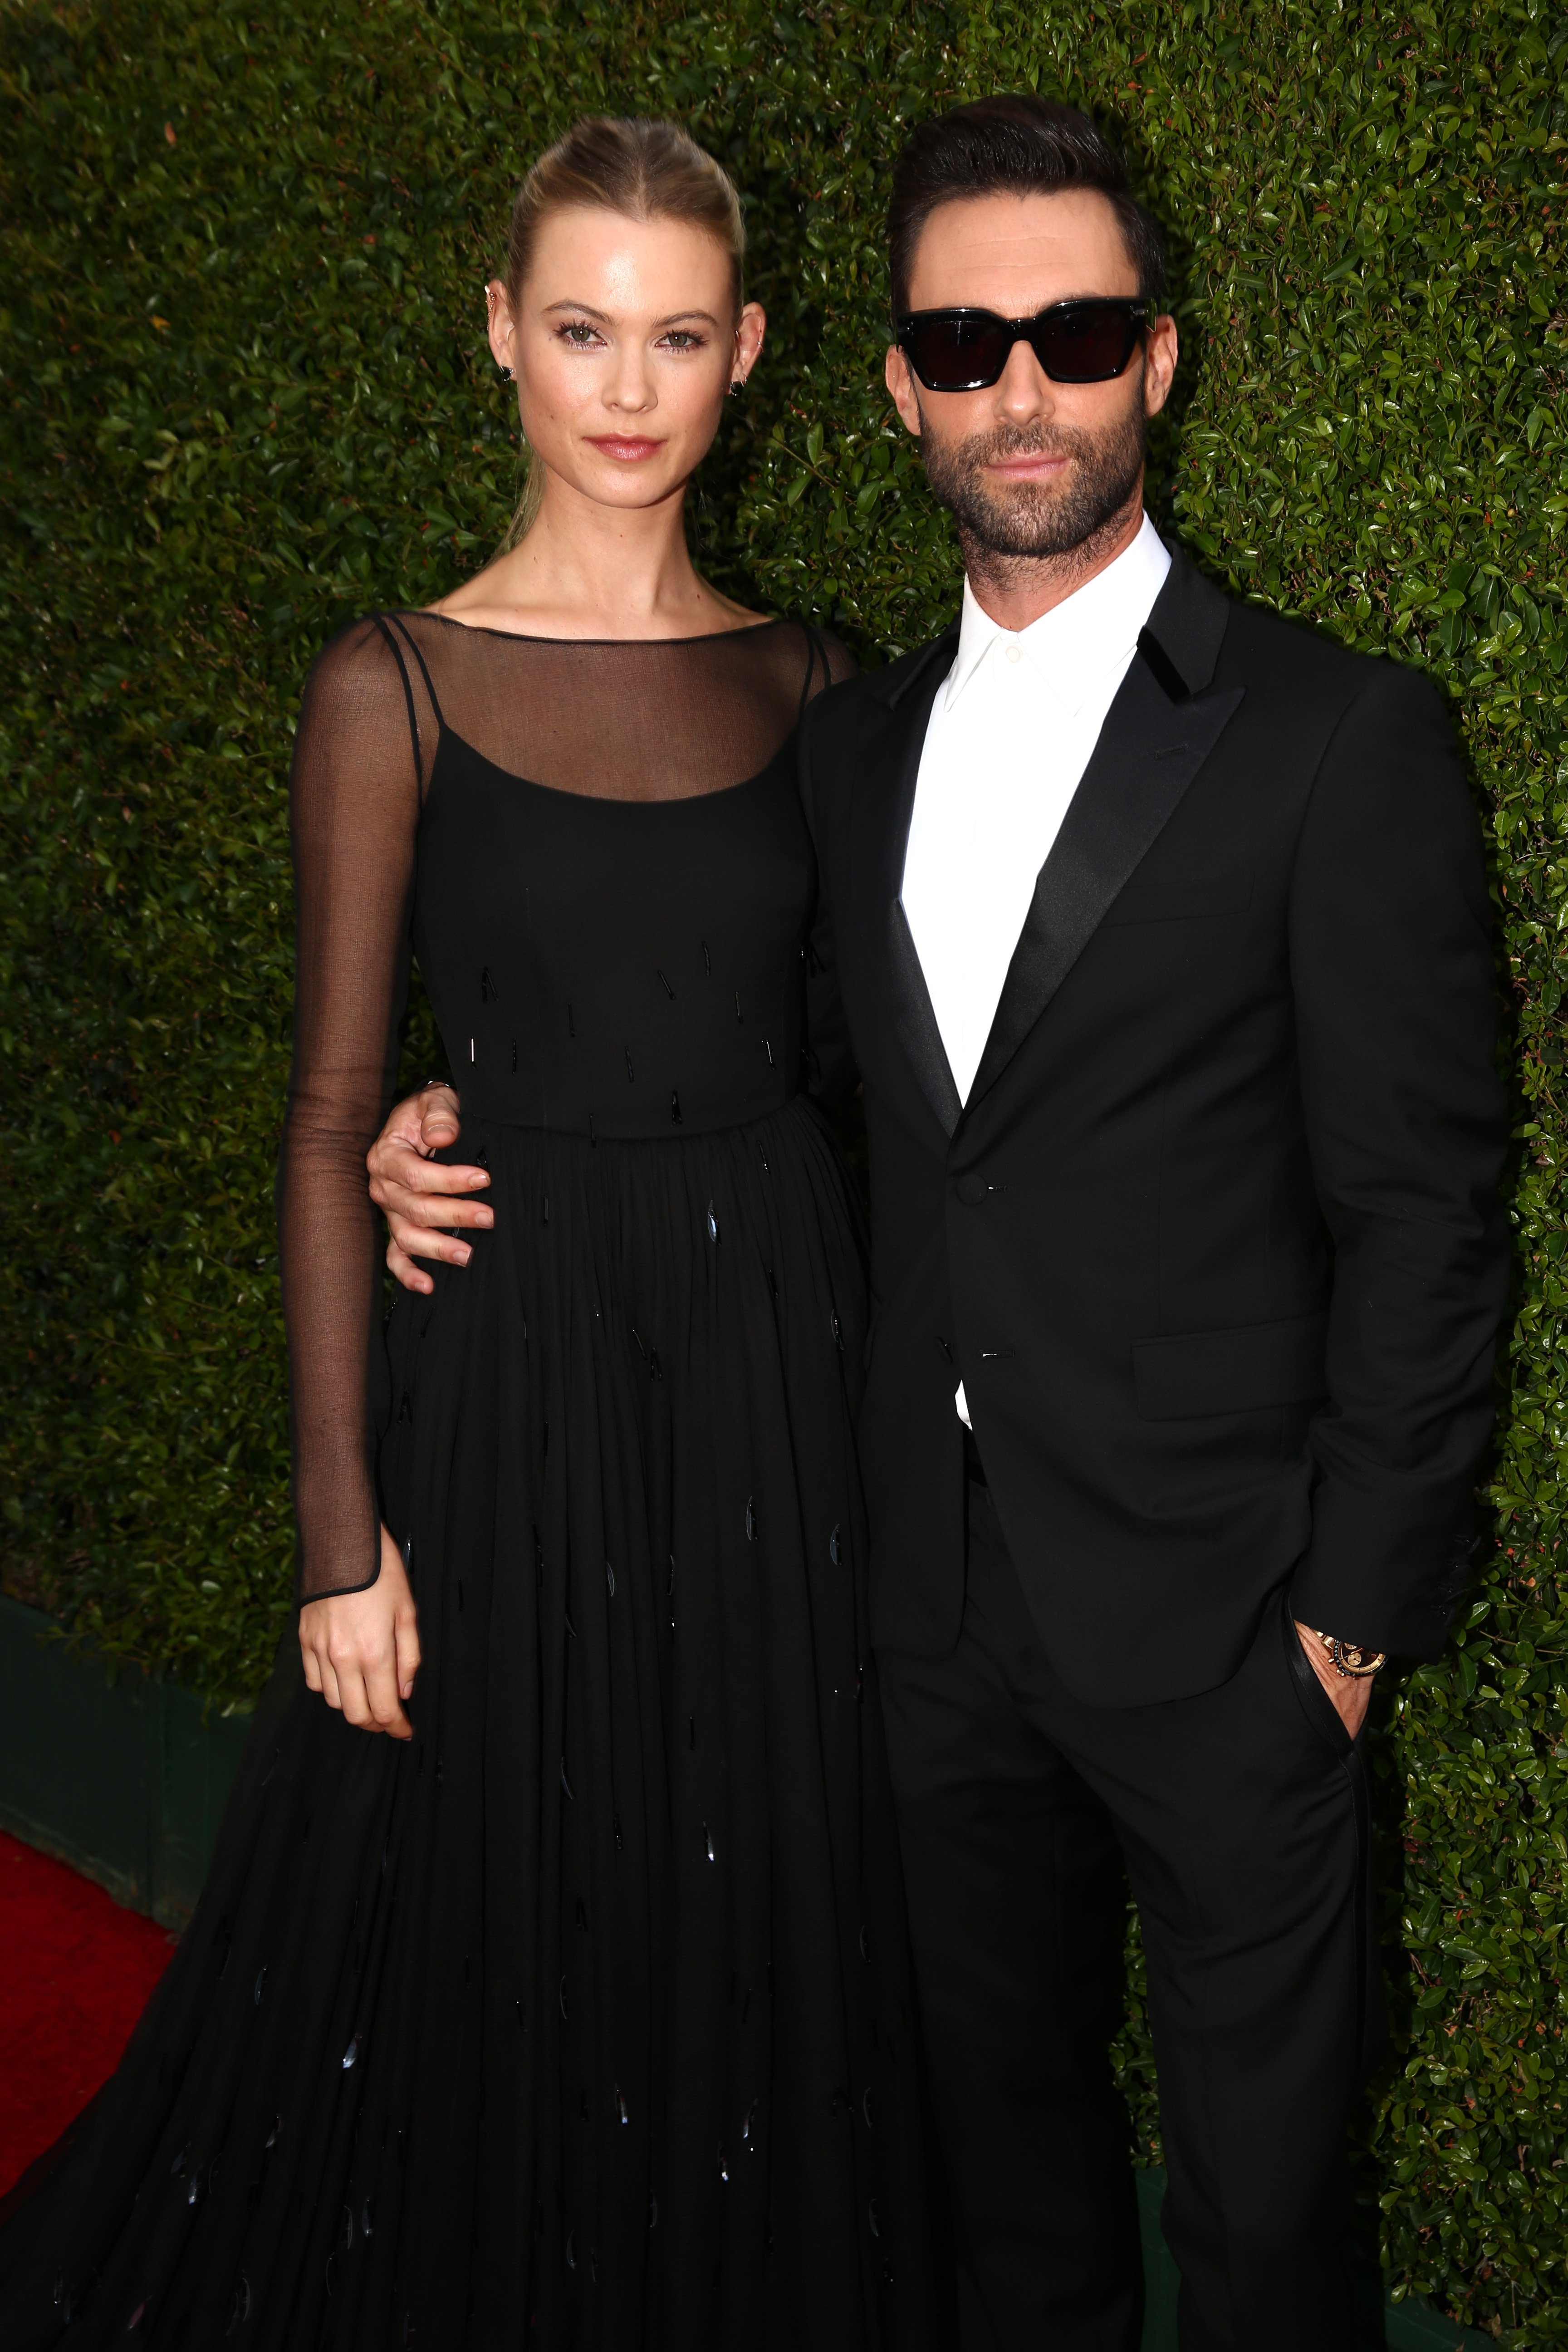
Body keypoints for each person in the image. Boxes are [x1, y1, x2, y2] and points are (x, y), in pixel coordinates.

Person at [379, 94, 1510, 2352]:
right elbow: (772, 1094)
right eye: (968, 339)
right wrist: (432, 1120)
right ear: (895, 376)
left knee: (1278, 2245)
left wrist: (1347, 1638)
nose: (1023, 388)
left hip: (1231, 1638)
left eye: (1077, 334)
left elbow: (1433, 1215)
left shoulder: (1335, 738)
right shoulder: (847, 742)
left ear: (1157, 363)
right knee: (1007, 2210)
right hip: (919, 1622)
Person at [0, 117, 939, 2352]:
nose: (630, 386)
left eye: (681, 335)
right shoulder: (391, 684)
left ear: (752, 356)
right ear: (502, 337)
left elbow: (855, 1073)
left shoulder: (820, 687)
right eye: (586, 328)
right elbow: (331, 1114)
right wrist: (342, 1537)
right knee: (480, 1894)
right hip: (504, 1373)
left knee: (748, 1901)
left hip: (764, 1387)